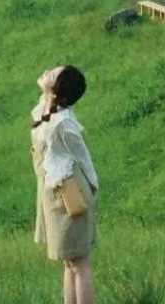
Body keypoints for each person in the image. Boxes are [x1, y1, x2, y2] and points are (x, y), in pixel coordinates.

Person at [31, 65, 99, 304]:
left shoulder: (64, 123)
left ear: (59, 88)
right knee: (68, 262)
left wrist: (91, 188)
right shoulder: (46, 108)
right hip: (54, 193)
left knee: (79, 262)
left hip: (70, 194)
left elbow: (83, 158)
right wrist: (47, 93)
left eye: (53, 73)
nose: (47, 72)